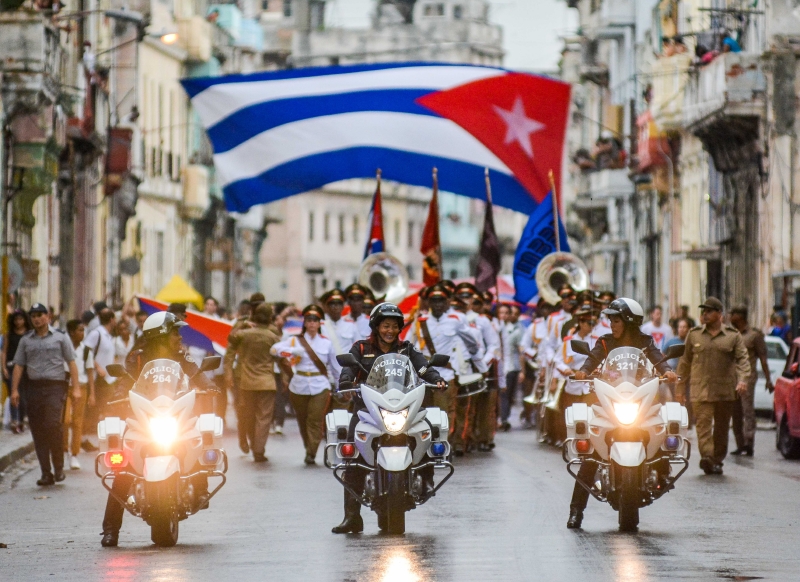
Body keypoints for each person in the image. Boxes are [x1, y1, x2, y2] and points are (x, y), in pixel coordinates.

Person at [101, 311, 217, 547]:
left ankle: (201, 486)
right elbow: (125, 380)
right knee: (123, 473)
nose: (179, 337)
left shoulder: (181, 357)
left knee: (196, 438)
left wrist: (210, 386)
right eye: (175, 333)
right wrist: (117, 397)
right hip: (145, 418)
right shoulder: (138, 358)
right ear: (161, 336)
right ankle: (110, 530)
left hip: (174, 414)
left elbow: (197, 375)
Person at [332, 302, 446, 534]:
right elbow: (349, 370)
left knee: (429, 429)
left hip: (402, 407)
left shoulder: (406, 349)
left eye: (394, 326)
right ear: (376, 326)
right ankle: (351, 516)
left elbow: (423, 368)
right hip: (368, 409)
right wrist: (345, 380)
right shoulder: (361, 348)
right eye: (385, 326)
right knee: (352, 455)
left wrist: (437, 378)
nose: (390, 331)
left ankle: (426, 478)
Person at [569, 297, 677, 529]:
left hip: (639, 399)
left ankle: (662, 471)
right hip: (610, 400)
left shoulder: (644, 341)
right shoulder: (606, 341)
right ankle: (576, 511)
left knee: (661, 428)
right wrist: (583, 371)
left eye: (615, 319)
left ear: (628, 321)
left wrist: (667, 371)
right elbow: (593, 357)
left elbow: (658, 358)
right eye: (610, 319)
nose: (611, 324)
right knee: (591, 457)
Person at [676, 297, 750, 476]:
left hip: (725, 392)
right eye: (703, 311)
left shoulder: (733, 336)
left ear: (719, 314)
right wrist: (679, 389)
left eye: (709, 311)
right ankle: (708, 458)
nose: (705, 314)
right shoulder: (694, 335)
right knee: (703, 426)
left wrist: (743, 380)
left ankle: (717, 460)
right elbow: (684, 363)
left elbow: (743, 360)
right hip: (700, 391)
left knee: (722, 429)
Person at [10, 303, 80, 486]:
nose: (37, 318)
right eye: (33, 316)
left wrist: (77, 387)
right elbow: (19, 365)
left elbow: (71, 362)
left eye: (40, 315)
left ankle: (58, 467)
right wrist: (14, 390)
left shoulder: (60, 338)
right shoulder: (26, 340)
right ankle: (46, 473)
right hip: (33, 387)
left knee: (52, 424)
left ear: (48, 317)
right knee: (38, 430)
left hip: (54, 387)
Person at [409, 284, 481, 456]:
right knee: (422, 412)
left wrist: (471, 356)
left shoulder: (455, 320)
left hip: (445, 375)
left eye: (441, 300)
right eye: (434, 300)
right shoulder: (420, 322)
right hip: (422, 376)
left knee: (444, 413)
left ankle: (443, 446)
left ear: (448, 301)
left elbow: (472, 342)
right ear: (429, 302)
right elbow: (407, 344)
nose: (438, 304)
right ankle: (424, 447)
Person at [272, 305, 340, 465]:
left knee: (315, 419)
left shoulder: (326, 343)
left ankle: (312, 451)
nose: (311, 324)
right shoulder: (294, 340)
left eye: (315, 321)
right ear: (305, 323)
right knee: (302, 419)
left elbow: (335, 367)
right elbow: (274, 350)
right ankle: (308, 445)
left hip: (320, 385)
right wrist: (292, 352)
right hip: (299, 385)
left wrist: (339, 385)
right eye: (309, 320)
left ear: (319, 324)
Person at [224, 303, 281, 462]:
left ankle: (250, 441)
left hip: (246, 382)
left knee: (247, 414)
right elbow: (281, 357)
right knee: (263, 418)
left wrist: (242, 324)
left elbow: (230, 337)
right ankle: (259, 450)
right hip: (266, 382)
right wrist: (286, 376)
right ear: (269, 317)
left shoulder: (244, 333)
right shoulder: (273, 336)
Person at [729, 305, 772, 457]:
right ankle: (740, 444)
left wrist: (768, 380)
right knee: (735, 413)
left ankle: (749, 442)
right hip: (731, 379)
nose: (730, 317)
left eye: (732, 314)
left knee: (748, 411)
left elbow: (763, 359)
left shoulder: (754, 335)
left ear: (740, 316)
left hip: (747, 379)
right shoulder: (731, 334)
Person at [63, 319, 95, 470]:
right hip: (65, 386)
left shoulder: (86, 350)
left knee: (77, 421)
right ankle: (63, 450)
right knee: (64, 419)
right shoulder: (63, 347)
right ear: (71, 332)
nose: (82, 334)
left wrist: (92, 394)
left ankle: (74, 454)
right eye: (80, 330)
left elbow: (90, 372)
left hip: (81, 387)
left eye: (83, 330)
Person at [2, 309, 32, 433]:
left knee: (24, 395)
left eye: (20, 319)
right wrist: (3, 367)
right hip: (11, 366)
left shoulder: (29, 334)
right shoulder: (9, 334)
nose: (18, 322)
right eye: (16, 319)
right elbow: (4, 351)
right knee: (13, 393)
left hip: (25, 368)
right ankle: (14, 420)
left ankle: (22, 419)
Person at [84, 308, 117, 417]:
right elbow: (86, 352)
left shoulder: (108, 336)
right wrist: (97, 367)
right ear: (112, 320)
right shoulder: (96, 333)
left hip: (109, 379)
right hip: (98, 379)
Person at [499, 304, 524, 432]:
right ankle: (499, 418)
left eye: (506, 313)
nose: (503, 315)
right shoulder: (494, 327)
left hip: (511, 366)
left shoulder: (516, 331)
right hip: (497, 366)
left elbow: (521, 351)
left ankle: (504, 419)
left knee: (506, 394)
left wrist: (522, 371)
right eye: (500, 313)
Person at [665, 318, 693, 424]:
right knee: (675, 397)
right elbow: (662, 354)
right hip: (674, 374)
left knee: (689, 399)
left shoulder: (691, 341)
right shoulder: (672, 341)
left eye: (684, 327)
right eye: (680, 327)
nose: (682, 329)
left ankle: (689, 422)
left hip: (689, 375)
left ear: (688, 329)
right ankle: (675, 421)